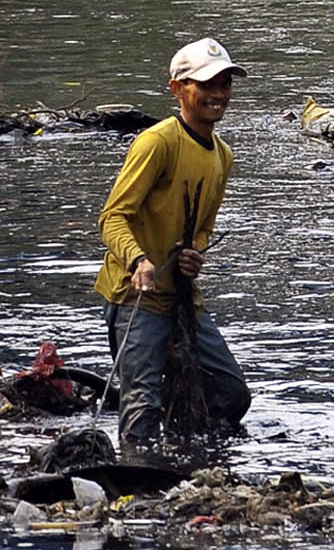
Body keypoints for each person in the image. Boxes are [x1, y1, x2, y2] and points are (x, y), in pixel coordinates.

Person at [97, 36, 254, 457]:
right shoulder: (157, 142)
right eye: (206, 85)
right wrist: (139, 259)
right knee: (140, 413)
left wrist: (195, 253)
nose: (218, 94)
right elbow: (113, 217)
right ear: (178, 89)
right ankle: (139, 483)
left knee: (231, 394)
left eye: (224, 84)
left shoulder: (222, 155)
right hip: (137, 296)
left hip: (182, 297)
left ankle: (188, 459)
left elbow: (204, 227)